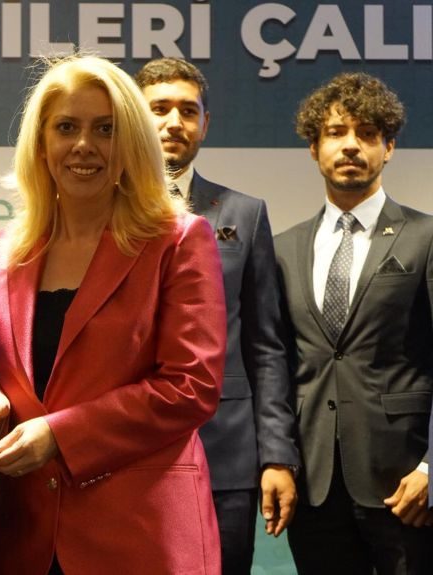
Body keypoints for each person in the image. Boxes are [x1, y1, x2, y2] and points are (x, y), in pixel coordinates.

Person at [0, 55, 226, 574]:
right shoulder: (0, 253)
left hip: (142, 538)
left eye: (106, 129)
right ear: (41, 143)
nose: (84, 145)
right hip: (25, 539)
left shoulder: (178, 239)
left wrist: (59, 435)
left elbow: (190, 387)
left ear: (132, 143)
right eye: (66, 127)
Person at [134, 58, 300, 573]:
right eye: (159, 109)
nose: (174, 122)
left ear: (205, 124)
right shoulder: (100, 209)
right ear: (133, 116)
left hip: (225, 455)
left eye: (188, 111)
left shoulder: (244, 214)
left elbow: (266, 345)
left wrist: (276, 455)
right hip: (126, 449)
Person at [275, 72, 433, 574]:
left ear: (389, 148)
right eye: (336, 132)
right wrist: (275, 458)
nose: (351, 145)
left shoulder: (426, 237)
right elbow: (273, 365)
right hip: (313, 484)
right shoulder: (282, 249)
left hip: (406, 483)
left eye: (367, 134)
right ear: (314, 148)